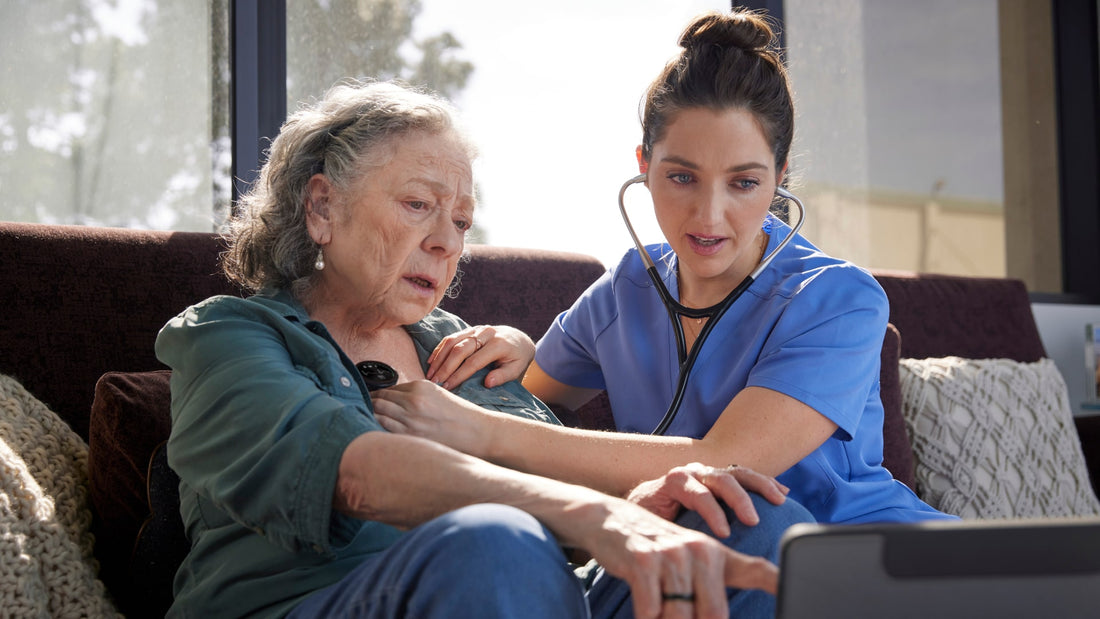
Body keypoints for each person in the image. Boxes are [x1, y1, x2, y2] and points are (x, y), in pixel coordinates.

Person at [155, 79, 811, 619]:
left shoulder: (462, 348)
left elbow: (556, 498)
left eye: (462, 221)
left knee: (740, 518)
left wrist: (649, 505)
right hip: (316, 603)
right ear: (322, 207)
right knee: (498, 539)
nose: (446, 242)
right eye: (418, 204)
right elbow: (355, 471)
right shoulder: (226, 337)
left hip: (529, 592)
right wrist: (591, 514)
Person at [376, 9, 954, 525]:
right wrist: (520, 349)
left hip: (877, 563)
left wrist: (486, 432)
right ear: (644, 166)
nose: (709, 214)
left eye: (745, 183)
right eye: (681, 177)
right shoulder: (627, 288)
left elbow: (721, 464)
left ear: (780, 177)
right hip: (708, 569)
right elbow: (530, 399)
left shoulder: (839, 299)